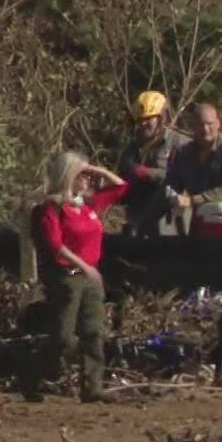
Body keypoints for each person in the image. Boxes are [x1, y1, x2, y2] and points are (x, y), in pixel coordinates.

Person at [25, 151, 126, 403]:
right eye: (82, 175)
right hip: (66, 277)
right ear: (69, 176)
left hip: (89, 277)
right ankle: (43, 377)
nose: (89, 180)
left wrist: (95, 168)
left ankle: (92, 386)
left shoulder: (86, 205)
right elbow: (55, 244)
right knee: (64, 336)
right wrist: (84, 266)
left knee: (94, 332)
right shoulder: (50, 209)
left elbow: (121, 187)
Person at [164, 102, 222, 234]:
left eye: (209, 124)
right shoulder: (184, 153)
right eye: (200, 125)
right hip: (201, 226)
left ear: (218, 123)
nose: (205, 129)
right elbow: (170, 186)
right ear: (193, 126)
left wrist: (193, 200)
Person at [115, 90, 188, 238]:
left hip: (169, 221)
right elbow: (121, 178)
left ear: (162, 118)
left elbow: (183, 179)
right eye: (140, 119)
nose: (143, 124)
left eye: (149, 119)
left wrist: (149, 173)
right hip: (138, 217)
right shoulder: (131, 148)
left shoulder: (180, 144)